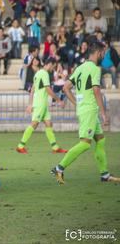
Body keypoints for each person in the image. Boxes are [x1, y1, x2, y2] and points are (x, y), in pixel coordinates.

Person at [51, 42, 120, 184]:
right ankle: (59, 167)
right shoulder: (95, 68)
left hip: (87, 109)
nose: (103, 56)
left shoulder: (80, 67)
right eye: (103, 53)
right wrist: (103, 112)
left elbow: (65, 87)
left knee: (100, 140)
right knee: (85, 143)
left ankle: (104, 174)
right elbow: (96, 90)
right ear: (98, 53)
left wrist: (77, 103)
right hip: (89, 110)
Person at [16, 58, 67, 154]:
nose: (53, 69)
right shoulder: (44, 74)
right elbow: (48, 89)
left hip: (42, 104)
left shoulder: (38, 73)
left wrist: (30, 104)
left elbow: (32, 90)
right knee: (34, 124)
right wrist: (59, 100)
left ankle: (55, 147)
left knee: (48, 123)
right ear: (50, 64)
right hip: (40, 104)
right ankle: (20, 146)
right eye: (53, 66)